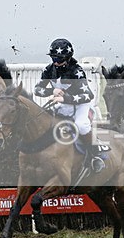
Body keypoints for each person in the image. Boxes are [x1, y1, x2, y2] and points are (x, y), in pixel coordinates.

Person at [33, 38, 107, 172]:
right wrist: (52, 91)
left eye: (59, 59)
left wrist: (65, 98)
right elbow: (37, 89)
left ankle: (94, 155)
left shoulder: (76, 71)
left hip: (80, 105)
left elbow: (88, 95)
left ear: (67, 58)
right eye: (54, 59)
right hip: (61, 105)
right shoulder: (49, 70)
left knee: (81, 125)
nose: (56, 62)